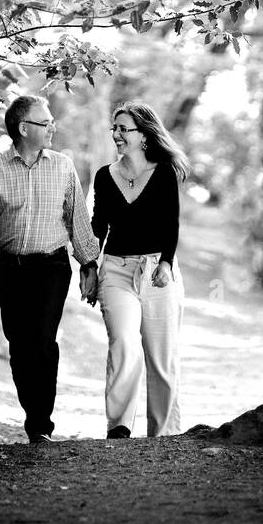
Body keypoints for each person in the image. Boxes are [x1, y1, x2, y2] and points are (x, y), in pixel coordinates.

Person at [0, 95, 99, 444]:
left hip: (52, 266)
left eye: (51, 121)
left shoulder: (63, 166)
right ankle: (32, 414)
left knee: (42, 341)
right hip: (12, 268)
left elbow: (77, 220)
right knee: (20, 346)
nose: (53, 127)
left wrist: (89, 263)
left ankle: (40, 424)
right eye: (45, 122)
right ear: (24, 128)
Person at [90, 100, 187, 439]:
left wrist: (166, 263)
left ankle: (162, 433)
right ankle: (119, 426)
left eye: (123, 129)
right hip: (116, 271)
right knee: (124, 342)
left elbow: (171, 224)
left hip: (157, 270)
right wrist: (89, 265)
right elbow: (98, 226)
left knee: (161, 357)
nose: (116, 134)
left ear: (143, 136)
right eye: (114, 128)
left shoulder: (163, 173)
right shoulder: (105, 176)